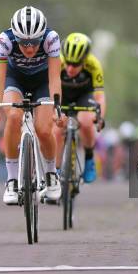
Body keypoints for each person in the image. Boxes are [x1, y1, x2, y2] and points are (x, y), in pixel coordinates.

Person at [0, 6, 64, 205]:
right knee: (13, 116)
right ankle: (11, 181)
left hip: (43, 81)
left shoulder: (51, 39)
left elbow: (55, 78)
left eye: (34, 43)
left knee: (44, 130)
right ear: (15, 37)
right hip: (15, 79)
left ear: (42, 37)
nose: (29, 48)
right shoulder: (4, 40)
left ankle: (51, 175)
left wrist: (57, 107)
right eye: (23, 43)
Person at [54, 32, 106, 183]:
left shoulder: (94, 64)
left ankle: (89, 158)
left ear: (84, 60)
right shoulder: (58, 63)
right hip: (62, 95)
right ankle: (56, 171)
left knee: (86, 121)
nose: (70, 68)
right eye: (68, 62)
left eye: (75, 65)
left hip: (84, 96)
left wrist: (99, 116)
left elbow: (100, 96)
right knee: (56, 131)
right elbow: (50, 90)